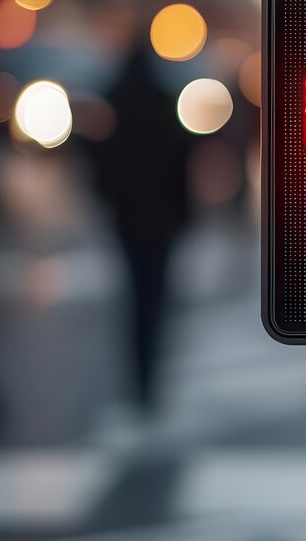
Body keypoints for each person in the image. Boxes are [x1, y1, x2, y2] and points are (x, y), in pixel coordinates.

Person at [92, 43, 192, 412]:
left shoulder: (114, 104)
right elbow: (181, 159)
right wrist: (184, 212)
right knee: (155, 297)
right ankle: (150, 376)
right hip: (162, 219)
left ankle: (140, 376)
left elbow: (102, 163)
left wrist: (108, 200)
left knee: (136, 297)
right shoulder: (164, 102)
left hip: (129, 219)